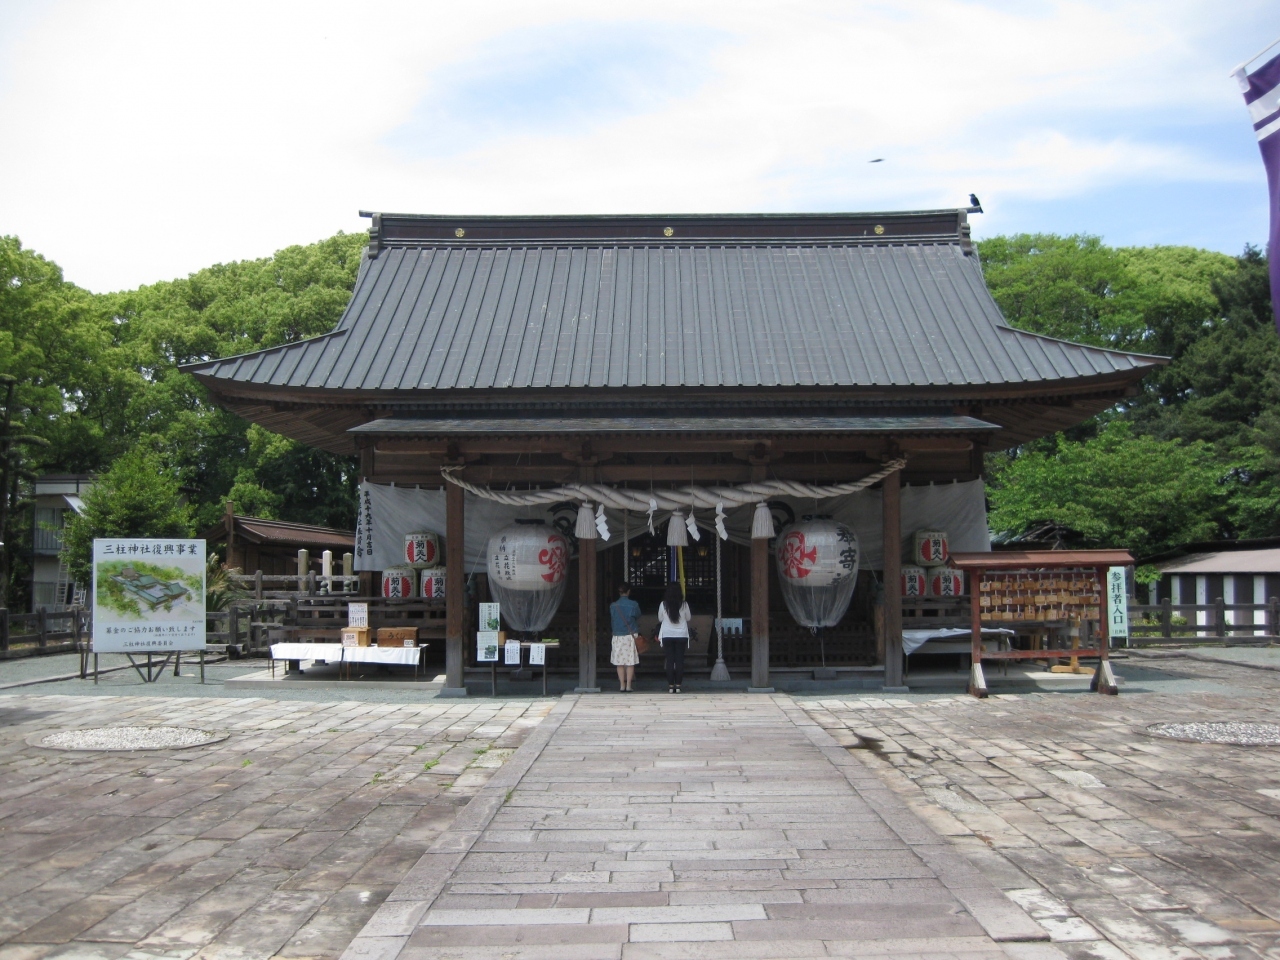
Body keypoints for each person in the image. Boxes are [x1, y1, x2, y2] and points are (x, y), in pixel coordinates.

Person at [656, 581, 692, 694]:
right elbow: (689, 618)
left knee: (670, 660)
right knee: (680, 660)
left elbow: (660, 619)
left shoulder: (663, 604)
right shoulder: (684, 604)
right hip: (681, 634)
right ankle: (678, 686)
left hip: (667, 634)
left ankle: (671, 686)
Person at [609, 582, 642, 692]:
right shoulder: (634, 604)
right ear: (628, 591)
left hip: (617, 635)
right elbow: (638, 615)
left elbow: (613, 618)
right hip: (630, 635)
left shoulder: (613, 606)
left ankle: (621, 685)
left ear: (619, 592)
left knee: (620, 662)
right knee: (630, 661)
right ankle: (628, 685)